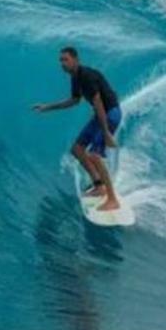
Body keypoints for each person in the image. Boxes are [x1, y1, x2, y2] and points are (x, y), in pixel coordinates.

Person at [32, 46, 122, 212]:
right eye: (60, 60)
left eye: (65, 59)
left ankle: (112, 199)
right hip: (100, 114)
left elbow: (99, 104)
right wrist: (47, 107)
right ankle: (98, 186)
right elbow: (74, 101)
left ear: (76, 59)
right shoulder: (76, 77)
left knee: (95, 155)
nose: (62, 63)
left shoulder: (86, 76)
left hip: (109, 113)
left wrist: (106, 133)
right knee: (77, 149)